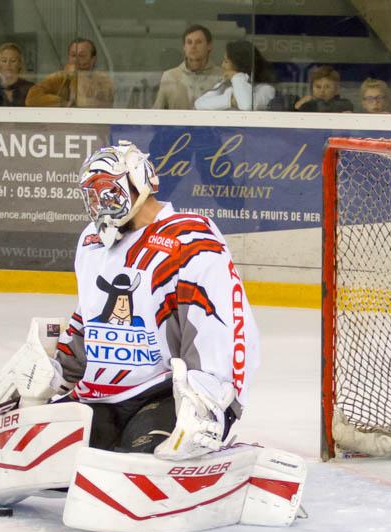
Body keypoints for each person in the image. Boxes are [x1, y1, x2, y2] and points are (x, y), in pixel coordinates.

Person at [19, 140, 259, 460]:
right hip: (101, 397)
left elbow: (218, 323)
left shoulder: (189, 237)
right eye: (92, 196)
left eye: (108, 191)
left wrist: (207, 401)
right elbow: (88, 315)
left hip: (166, 394)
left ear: (138, 182)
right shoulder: (91, 242)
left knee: (138, 460)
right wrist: (56, 373)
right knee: (42, 456)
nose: (100, 204)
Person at [26, 38, 114, 108]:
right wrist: (62, 103)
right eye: (73, 55)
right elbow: (31, 99)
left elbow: (101, 104)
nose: (76, 60)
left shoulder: (102, 80)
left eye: (82, 56)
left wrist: (79, 78)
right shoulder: (59, 77)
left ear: (93, 60)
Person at [152, 25, 223, 110]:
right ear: (184, 47)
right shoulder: (170, 76)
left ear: (209, 46)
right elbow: (156, 113)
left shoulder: (222, 76)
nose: (193, 46)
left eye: (198, 42)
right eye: (189, 42)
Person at [194, 40, 276, 111]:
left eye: (226, 61)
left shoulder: (266, 90)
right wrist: (230, 101)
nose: (222, 65)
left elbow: (246, 105)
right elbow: (199, 104)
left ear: (239, 64)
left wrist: (237, 76)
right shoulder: (226, 85)